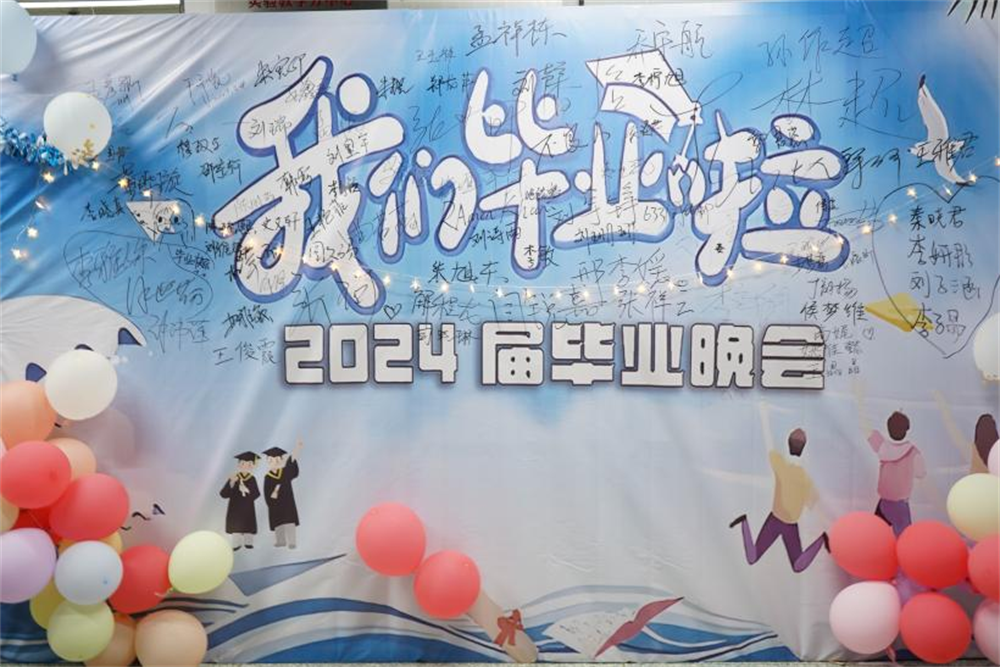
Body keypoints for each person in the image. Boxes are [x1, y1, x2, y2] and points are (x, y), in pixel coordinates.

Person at [730, 403, 827, 573]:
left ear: (788, 444)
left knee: (754, 557)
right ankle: (821, 540)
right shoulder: (804, 478)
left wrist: (764, 416)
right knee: (796, 565)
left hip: (782, 523)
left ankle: (744, 522)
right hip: (778, 521)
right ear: (803, 448)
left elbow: (769, 443)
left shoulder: (782, 465)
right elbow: (815, 505)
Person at [868, 411, 926, 536]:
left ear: (888, 429)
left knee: (875, 535)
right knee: (904, 538)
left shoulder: (883, 447)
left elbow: (870, 434)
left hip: (883, 502)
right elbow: (921, 473)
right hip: (900, 505)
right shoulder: (913, 452)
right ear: (906, 430)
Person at [263, 440, 303, 549]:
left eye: (277, 460)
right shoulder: (268, 477)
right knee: (278, 523)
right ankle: (281, 541)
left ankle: (292, 542)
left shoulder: (285, 472)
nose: (274, 462)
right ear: (268, 462)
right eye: (271, 460)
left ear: (281, 460)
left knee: (290, 522)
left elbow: (291, 461)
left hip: (287, 502)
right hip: (275, 504)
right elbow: (266, 492)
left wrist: (297, 449)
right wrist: (273, 495)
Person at [220, 451, 261, 551]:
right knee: (236, 527)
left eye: (249, 464)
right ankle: (236, 544)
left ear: (252, 466)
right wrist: (232, 483)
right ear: (238, 465)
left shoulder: (252, 479)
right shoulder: (234, 478)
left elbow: (257, 494)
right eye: (242, 463)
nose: (245, 466)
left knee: (248, 526)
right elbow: (224, 494)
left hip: (248, 507)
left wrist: (247, 490)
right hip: (235, 508)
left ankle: (248, 543)